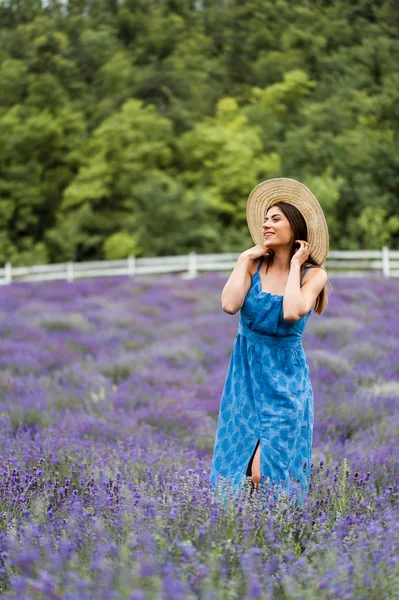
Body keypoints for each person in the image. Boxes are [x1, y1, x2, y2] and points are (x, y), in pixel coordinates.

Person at [209, 177, 330, 507]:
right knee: (238, 465)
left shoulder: (313, 275)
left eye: (275, 218)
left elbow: (292, 311)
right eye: (265, 218)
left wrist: (293, 265)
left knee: (268, 472)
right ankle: (247, 536)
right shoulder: (253, 265)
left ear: (295, 227)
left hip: (285, 381)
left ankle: (279, 531)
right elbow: (229, 305)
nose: (266, 224)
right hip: (246, 376)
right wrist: (242, 260)